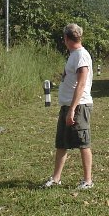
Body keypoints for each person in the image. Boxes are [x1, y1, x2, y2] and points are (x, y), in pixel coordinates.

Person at [44, 23, 94, 189]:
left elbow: (81, 84)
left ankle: (88, 181)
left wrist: (72, 109)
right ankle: (56, 178)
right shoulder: (74, 54)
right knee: (62, 143)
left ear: (66, 38)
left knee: (83, 142)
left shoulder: (81, 55)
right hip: (68, 106)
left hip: (79, 106)